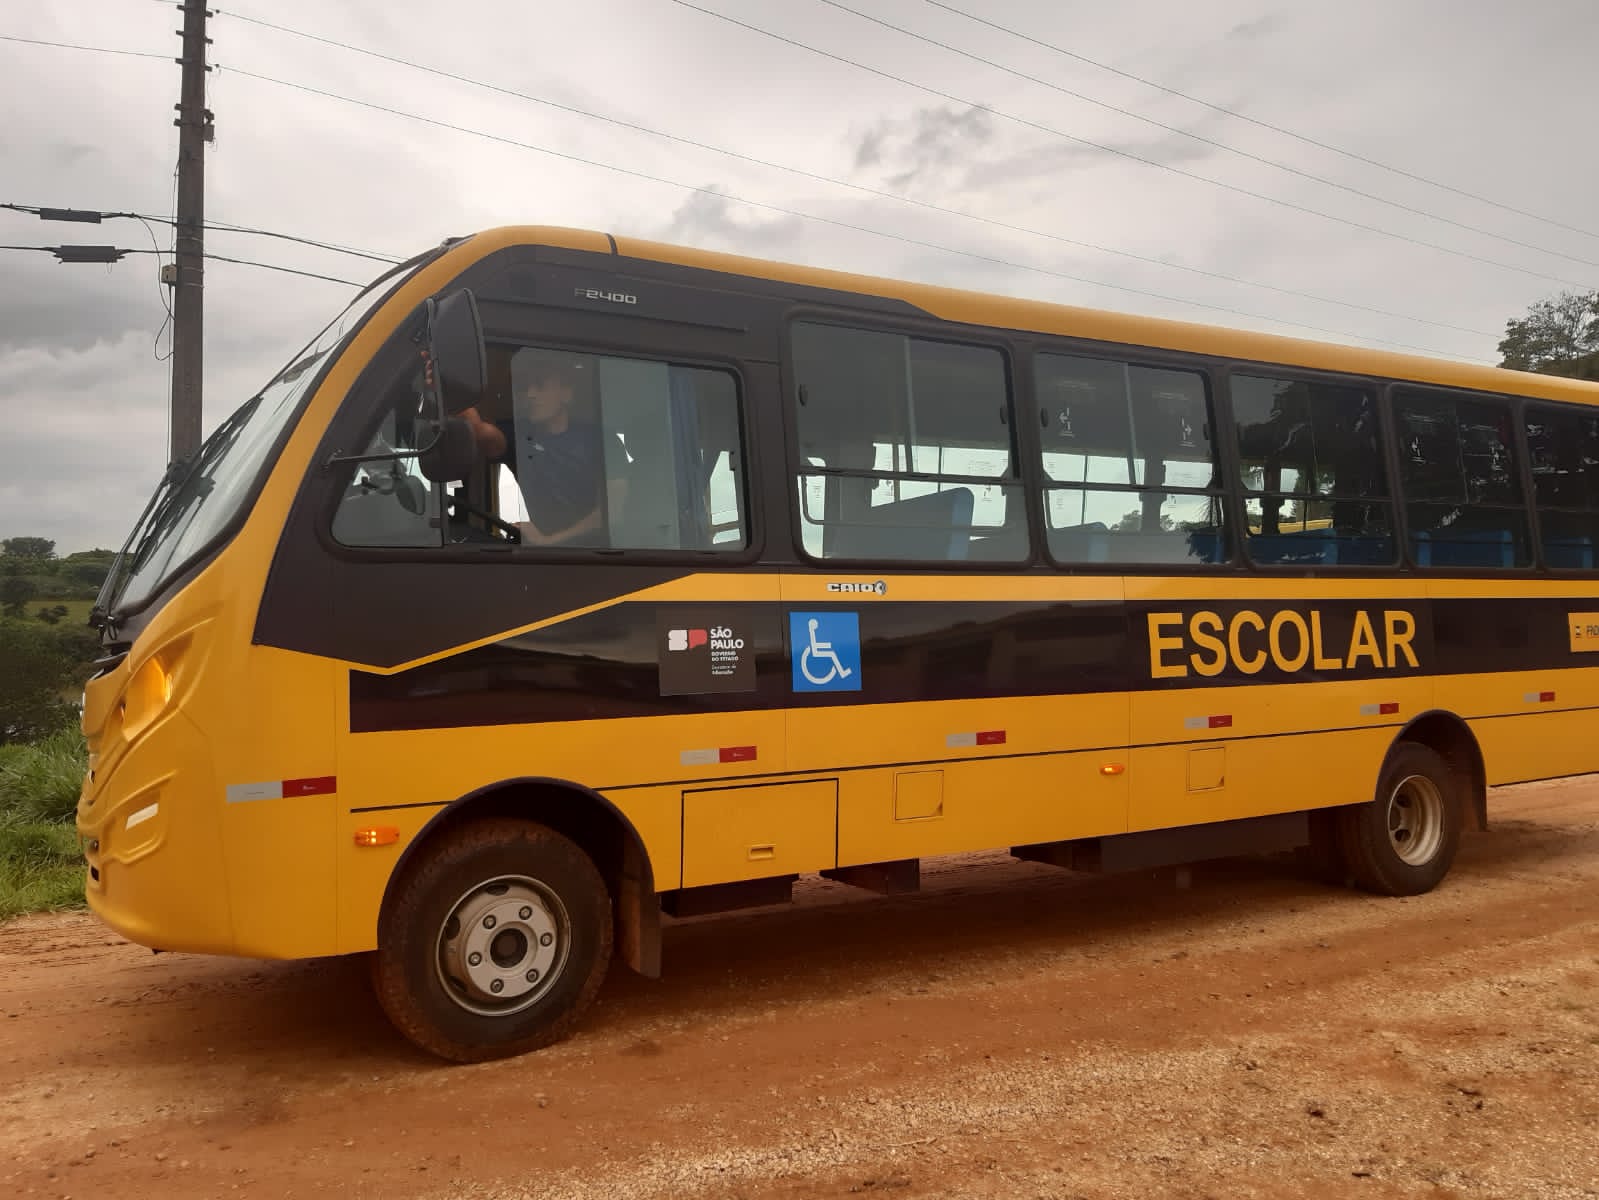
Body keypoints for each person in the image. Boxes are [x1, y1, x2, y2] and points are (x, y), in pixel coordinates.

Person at [460, 351, 607, 547]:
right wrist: (447, 386)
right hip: (542, 554)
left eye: (540, 385)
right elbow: (480, 433)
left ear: (566, 393)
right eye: (525, 387)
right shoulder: (519, 435)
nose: (530, 394)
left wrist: (550, 541)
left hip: (603, 554)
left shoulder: (601, 440)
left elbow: (611, 510)